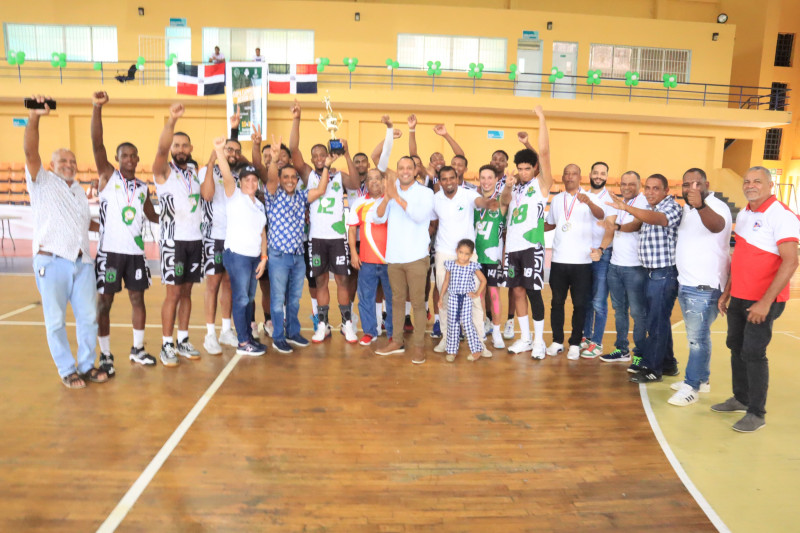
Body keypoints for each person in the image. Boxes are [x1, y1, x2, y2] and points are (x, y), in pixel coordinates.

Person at [24, 94, 108, 388]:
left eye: (72, 161)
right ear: (51, 164)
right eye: (63, 160)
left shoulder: (78, 191)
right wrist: (34, 118)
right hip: (52, 261)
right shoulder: (42, 181)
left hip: (82, 262)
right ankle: (66, 369)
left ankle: (86, 365)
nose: (69, 164)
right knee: (56, 321)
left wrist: (112, 227)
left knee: (89, 318)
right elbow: (30, 151)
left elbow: (86, 224)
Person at [714, 166, 799, 432]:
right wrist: (728, 290)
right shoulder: (747, 213)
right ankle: (741, 398)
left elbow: (791, 261)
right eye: (747, 180)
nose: (751, 185)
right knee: (735, 345)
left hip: (765, 300)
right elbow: (741, 257)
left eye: (757, 181)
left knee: (753, 352)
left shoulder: (782, 216)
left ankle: (756, 412)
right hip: (739, 294)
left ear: (770, 185)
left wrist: (765, 302)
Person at [90, 91, 159, 375]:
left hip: (135, 255)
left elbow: (151, 215)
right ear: (117, 159)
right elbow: (97, 144)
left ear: (138, 159)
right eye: (124, 155)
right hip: (110, 253)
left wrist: (172, 215)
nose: (129, 159)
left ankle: (137, 349)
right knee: (104, 302)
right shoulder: (108, 177)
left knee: (137, 300)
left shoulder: (143, 188)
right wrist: (97, 108)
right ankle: (106, 355)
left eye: (133, 155)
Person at [289, 100, 363, 343]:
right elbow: (294, 151)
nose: (319, 157)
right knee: (320, 280)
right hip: (316, 238)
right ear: (313, 159)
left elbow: (354, 182)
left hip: (338, 237)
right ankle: (322, 324)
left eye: (323, 154)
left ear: (329, 156)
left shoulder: (338, 175)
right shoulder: (309, 175)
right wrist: (296, 119)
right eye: (315, 155)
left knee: (342, 280)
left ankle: (346, 323)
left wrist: (347, 153)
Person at [257, 133, 335, 353]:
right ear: (280, 180)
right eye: (286, 177)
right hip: (279, 256)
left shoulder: (301, 196)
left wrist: (327, 166)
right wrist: (273, 158)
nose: (290, 180)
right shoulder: (272, 194)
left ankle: (292, 332)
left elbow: (320, 190)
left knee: (293, 299)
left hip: (298, 255)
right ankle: (279, 337)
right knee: (278, 298)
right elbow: (271, 179)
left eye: (293, 177)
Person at [608, 174, 682, 383]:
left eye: (656, 188)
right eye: (648, 188)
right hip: (651, 273)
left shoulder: (670, 208)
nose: (650, 192)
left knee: (656, 322)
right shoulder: (652, 209)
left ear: (666, 190)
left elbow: (661, 221)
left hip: (664, 273)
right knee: (659, 322)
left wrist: (626, 208)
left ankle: (653, 368)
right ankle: (668, 363)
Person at [668, 168, 732, 406]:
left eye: (697, 184)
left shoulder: (716, 205)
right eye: (686, 184)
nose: (691, 188)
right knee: (698, 336)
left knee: (697, 339)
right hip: (687, 282)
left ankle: (691, 386)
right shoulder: (687, 208)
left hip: (704, 285)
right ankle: (702, 380)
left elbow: (717, 226)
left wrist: (701, 206)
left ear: (706, 184)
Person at [499, 106, 553, 358]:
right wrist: (509, 186)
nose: (522, 172)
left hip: (532, 247)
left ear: (535, 170)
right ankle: (526, 338)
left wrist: (541, 120)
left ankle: (540, 342)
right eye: (519, 168)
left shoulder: (542, 185)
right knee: (517, 291)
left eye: (527, 168)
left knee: (533, 293)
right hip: (513, 249)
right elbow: (504, 202)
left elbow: (543, 153)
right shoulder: (515, 187)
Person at [153, 103, 203, 367]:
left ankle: (183, 339)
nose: (181, 149)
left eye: (185, 146)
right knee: (173, 294)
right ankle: (166, 344)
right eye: (177, 145)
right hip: (173, 242)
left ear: (191, 150)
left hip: (195, 240)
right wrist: (171, 121)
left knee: (187, 293)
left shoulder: (193, 173)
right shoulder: (163, 171)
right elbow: (161, 149)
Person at [208, 137, 269, 356]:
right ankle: (243, 342)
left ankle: (247, 337)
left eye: (254, 180)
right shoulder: (234, 196)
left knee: (248, 298)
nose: (251, 183)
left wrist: (264, 257)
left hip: (253, 258)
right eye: (247, 180)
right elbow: (225, 173)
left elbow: (262, 232)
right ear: (240, 182)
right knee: (241, 298)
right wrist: (218, 150)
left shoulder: (259, 205)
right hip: (237, 257)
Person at [372, 157, 435, 364]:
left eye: (409, 167)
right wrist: (387, 198)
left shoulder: (425, 192)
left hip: (416, 257)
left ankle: (418, 346)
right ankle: (396, 341)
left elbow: (418, 216)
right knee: (396, 302)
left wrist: (396, 196)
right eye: (401, 168)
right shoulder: (392, 189)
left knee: (417, 304)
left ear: (416, 170)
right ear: (397, 171)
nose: (405, 171)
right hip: (394, 257)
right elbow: (377, 217)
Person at [430, 165, 497, 357]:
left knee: (474, 298)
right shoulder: (436, 200)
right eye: (444, 179)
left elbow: (480, 201)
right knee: (444, 299)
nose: (449, 181)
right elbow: (433, 222)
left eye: (452, 177)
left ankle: (479, 343)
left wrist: (488, 203)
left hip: (468, 255)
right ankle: (446, 338)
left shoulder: (467, 195)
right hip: (444, 254)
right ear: (439, 181)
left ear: (457, 178)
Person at [544, 164, 605, 360]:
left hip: (582, 262)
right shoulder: (557, 199)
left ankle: (575, 343)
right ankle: (556, 341)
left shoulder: (591, 198)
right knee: (556, 302)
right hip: (559, 260)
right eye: (567, 173)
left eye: (574, 174)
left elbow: (601, 215)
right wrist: (528, 229)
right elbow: (551, 223)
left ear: (581, 177)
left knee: (580, 304)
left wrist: (588, 202)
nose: (570, 177)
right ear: (562, 176)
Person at [199, 135, 244, 354]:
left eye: (236, 151)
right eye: (229, 150)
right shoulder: (207, 170)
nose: (233, 154)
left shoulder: (240, 176)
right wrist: (210, 162)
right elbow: (207, 195)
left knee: (229, 284)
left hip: (235, 237)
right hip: (214, 236)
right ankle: (210, 334)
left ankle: (226, 330)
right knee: (213, 284)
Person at [600, 171, 649, 364]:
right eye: (623, 184)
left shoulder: (643, 202)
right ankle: (622, 349)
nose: (626, 187)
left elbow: (636, 225)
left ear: (639, 185)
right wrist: (602, 247)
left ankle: (640, 354)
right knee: (619, 310)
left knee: (637, 313)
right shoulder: (620, 204)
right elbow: (613, 229)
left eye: (631, 184)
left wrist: (616, 227)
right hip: (615, 266)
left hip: (635, 268)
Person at [348, 169, 393, 345]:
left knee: (392, 298)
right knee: (366, 297)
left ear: (384, 180)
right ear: (365, 183)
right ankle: (369, 332)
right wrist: (353, 252)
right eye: (370, 179)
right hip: (366, 260)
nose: (374, 181)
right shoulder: (359, 203)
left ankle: (392, 333)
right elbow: (352, 229)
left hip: (391, 260)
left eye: (378, 178)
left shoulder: (392, 201)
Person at [581, 161, 617, 358]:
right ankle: (586, 337)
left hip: (601, 256)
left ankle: (597, 342)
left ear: (606, 176)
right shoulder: (583, 195)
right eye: (595, 172)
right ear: (590, 174)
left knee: (599, 302)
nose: (598, 176)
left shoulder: (609, 198)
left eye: (602, 173)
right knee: (585, 300)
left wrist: (601, 250)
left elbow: (610, 227)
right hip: (583, 257)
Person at [475, 164, 508, 349]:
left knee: (494, 294)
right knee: (478, 296)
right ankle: (480, 330)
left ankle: (496, 332)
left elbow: (507, 197)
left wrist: (509, 186)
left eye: (490, 177)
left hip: (493, 257)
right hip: (475, 257)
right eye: (483, 178)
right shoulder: (474, 202)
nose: (486, 181)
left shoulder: (501, 201)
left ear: (496, 180)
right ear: (478, 180)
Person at [439, 239, 488, 362]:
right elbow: (446, 282)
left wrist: (477, 293)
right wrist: (440, 297)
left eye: (467, 254)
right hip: (453, 298)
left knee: (466, 323)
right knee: (453, 323)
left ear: (471, 255)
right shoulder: (450, 265)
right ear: (456, 251)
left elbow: (484, 281)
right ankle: (451, 351)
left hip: (466, 298)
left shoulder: (473, 266)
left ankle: (477, 349)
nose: (463, 256)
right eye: (461, 252)